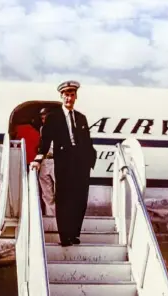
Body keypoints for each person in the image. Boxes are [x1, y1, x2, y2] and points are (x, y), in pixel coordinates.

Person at [31, 80, 96, 247]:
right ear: (61, 96)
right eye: (66, 95)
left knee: (80, 199)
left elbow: (87, 141)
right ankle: (65, 236)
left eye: (72, 94)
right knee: (64, 199)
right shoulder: (54, 118)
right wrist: (39, 158)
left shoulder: (81, 118)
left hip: (80, 163)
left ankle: (75, 233)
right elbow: (45, 140)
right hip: (64, 161)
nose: (69, 98)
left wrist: (90, 160)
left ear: (76, 97)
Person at [38, 107, 56, 216]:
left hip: (57, 160)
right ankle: (51, 216)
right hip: (45, 160)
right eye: (43, 118)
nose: (44, 120)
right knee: (47, 192)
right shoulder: (42, 129)